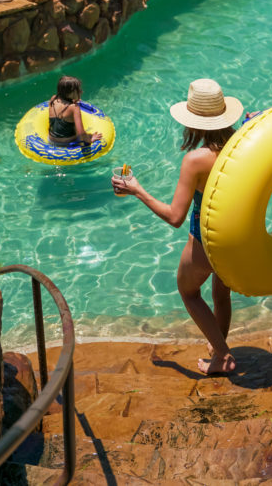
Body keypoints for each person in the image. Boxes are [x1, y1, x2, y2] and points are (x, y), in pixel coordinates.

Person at [111, 78, 243, 375]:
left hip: (207, 238)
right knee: (221, 294)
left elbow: (175, 217)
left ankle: (223, 356)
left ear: (193, 121)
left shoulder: (196, 160)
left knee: (188, 291)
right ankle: (218, 343)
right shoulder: (242, 143)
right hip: (237, 236)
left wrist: (137, 190)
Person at [48, 75, 103, 146]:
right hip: (67, 143)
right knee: (88, 135)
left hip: (51, 140)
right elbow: (81, 133)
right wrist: (90, 139)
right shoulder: (74, 108)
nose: (81, 91)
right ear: (70, 92)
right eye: (78, 90)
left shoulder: (53, 99)